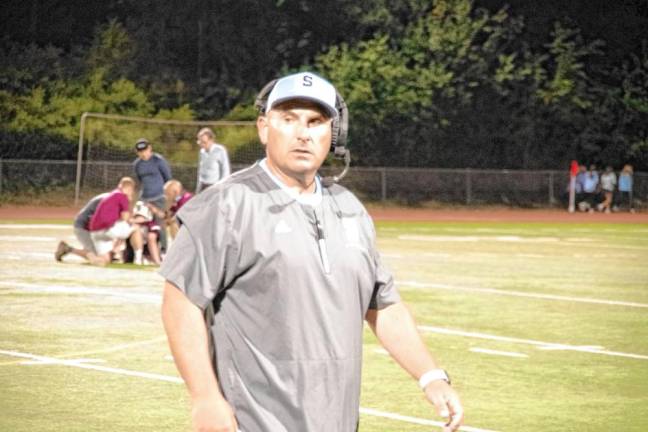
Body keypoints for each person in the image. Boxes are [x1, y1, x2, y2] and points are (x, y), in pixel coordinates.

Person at [160, 72, 463, 432]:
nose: (303, 133)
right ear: (263, 128)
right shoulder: (226, 204)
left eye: (316, 121)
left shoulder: (349, 209)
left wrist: (430, 376)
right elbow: (180, 303)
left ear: (332, 135)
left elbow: (382, 304)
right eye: (288, 119)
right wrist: (205, 398)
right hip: (254, 422)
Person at [85, 177, 137, 266]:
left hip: (95, 231)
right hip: (107, 229)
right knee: (135, 228)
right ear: (129, 188)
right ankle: (134, 255)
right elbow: (126, 217)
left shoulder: (112, 194)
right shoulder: (122, 196)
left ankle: (93, 257)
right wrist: (130, 202)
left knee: (105, 260)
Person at [133, 138, 172, 252]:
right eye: (140, 152)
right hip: (145, 198)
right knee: (144, 224)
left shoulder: (158, 160)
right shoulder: (137, 164)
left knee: (160, 224)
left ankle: (164, 249)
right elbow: (140, 180)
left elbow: (168, 178)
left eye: (145, 150)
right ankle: (146, 250)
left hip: (159, 197)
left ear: (150, 148)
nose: (143, 154)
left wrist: (167, 197)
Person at [55, 192, 108, 262]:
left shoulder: (108, 197)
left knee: (99, 253)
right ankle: (67, 249)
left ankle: (67, 248)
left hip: (86, 225)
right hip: (83, 226)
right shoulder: (109, 200)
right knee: (95, 255)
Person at [196, 127, 231, 193]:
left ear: (211, 140)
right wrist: (198, 188)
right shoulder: (201, 152)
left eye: (204, 142)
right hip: (202, 185)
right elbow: (200, 170)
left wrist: (222, 187)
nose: (202, 145)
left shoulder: (220, 150)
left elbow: (225, 170)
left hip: (214, 185)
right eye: (200, 142)